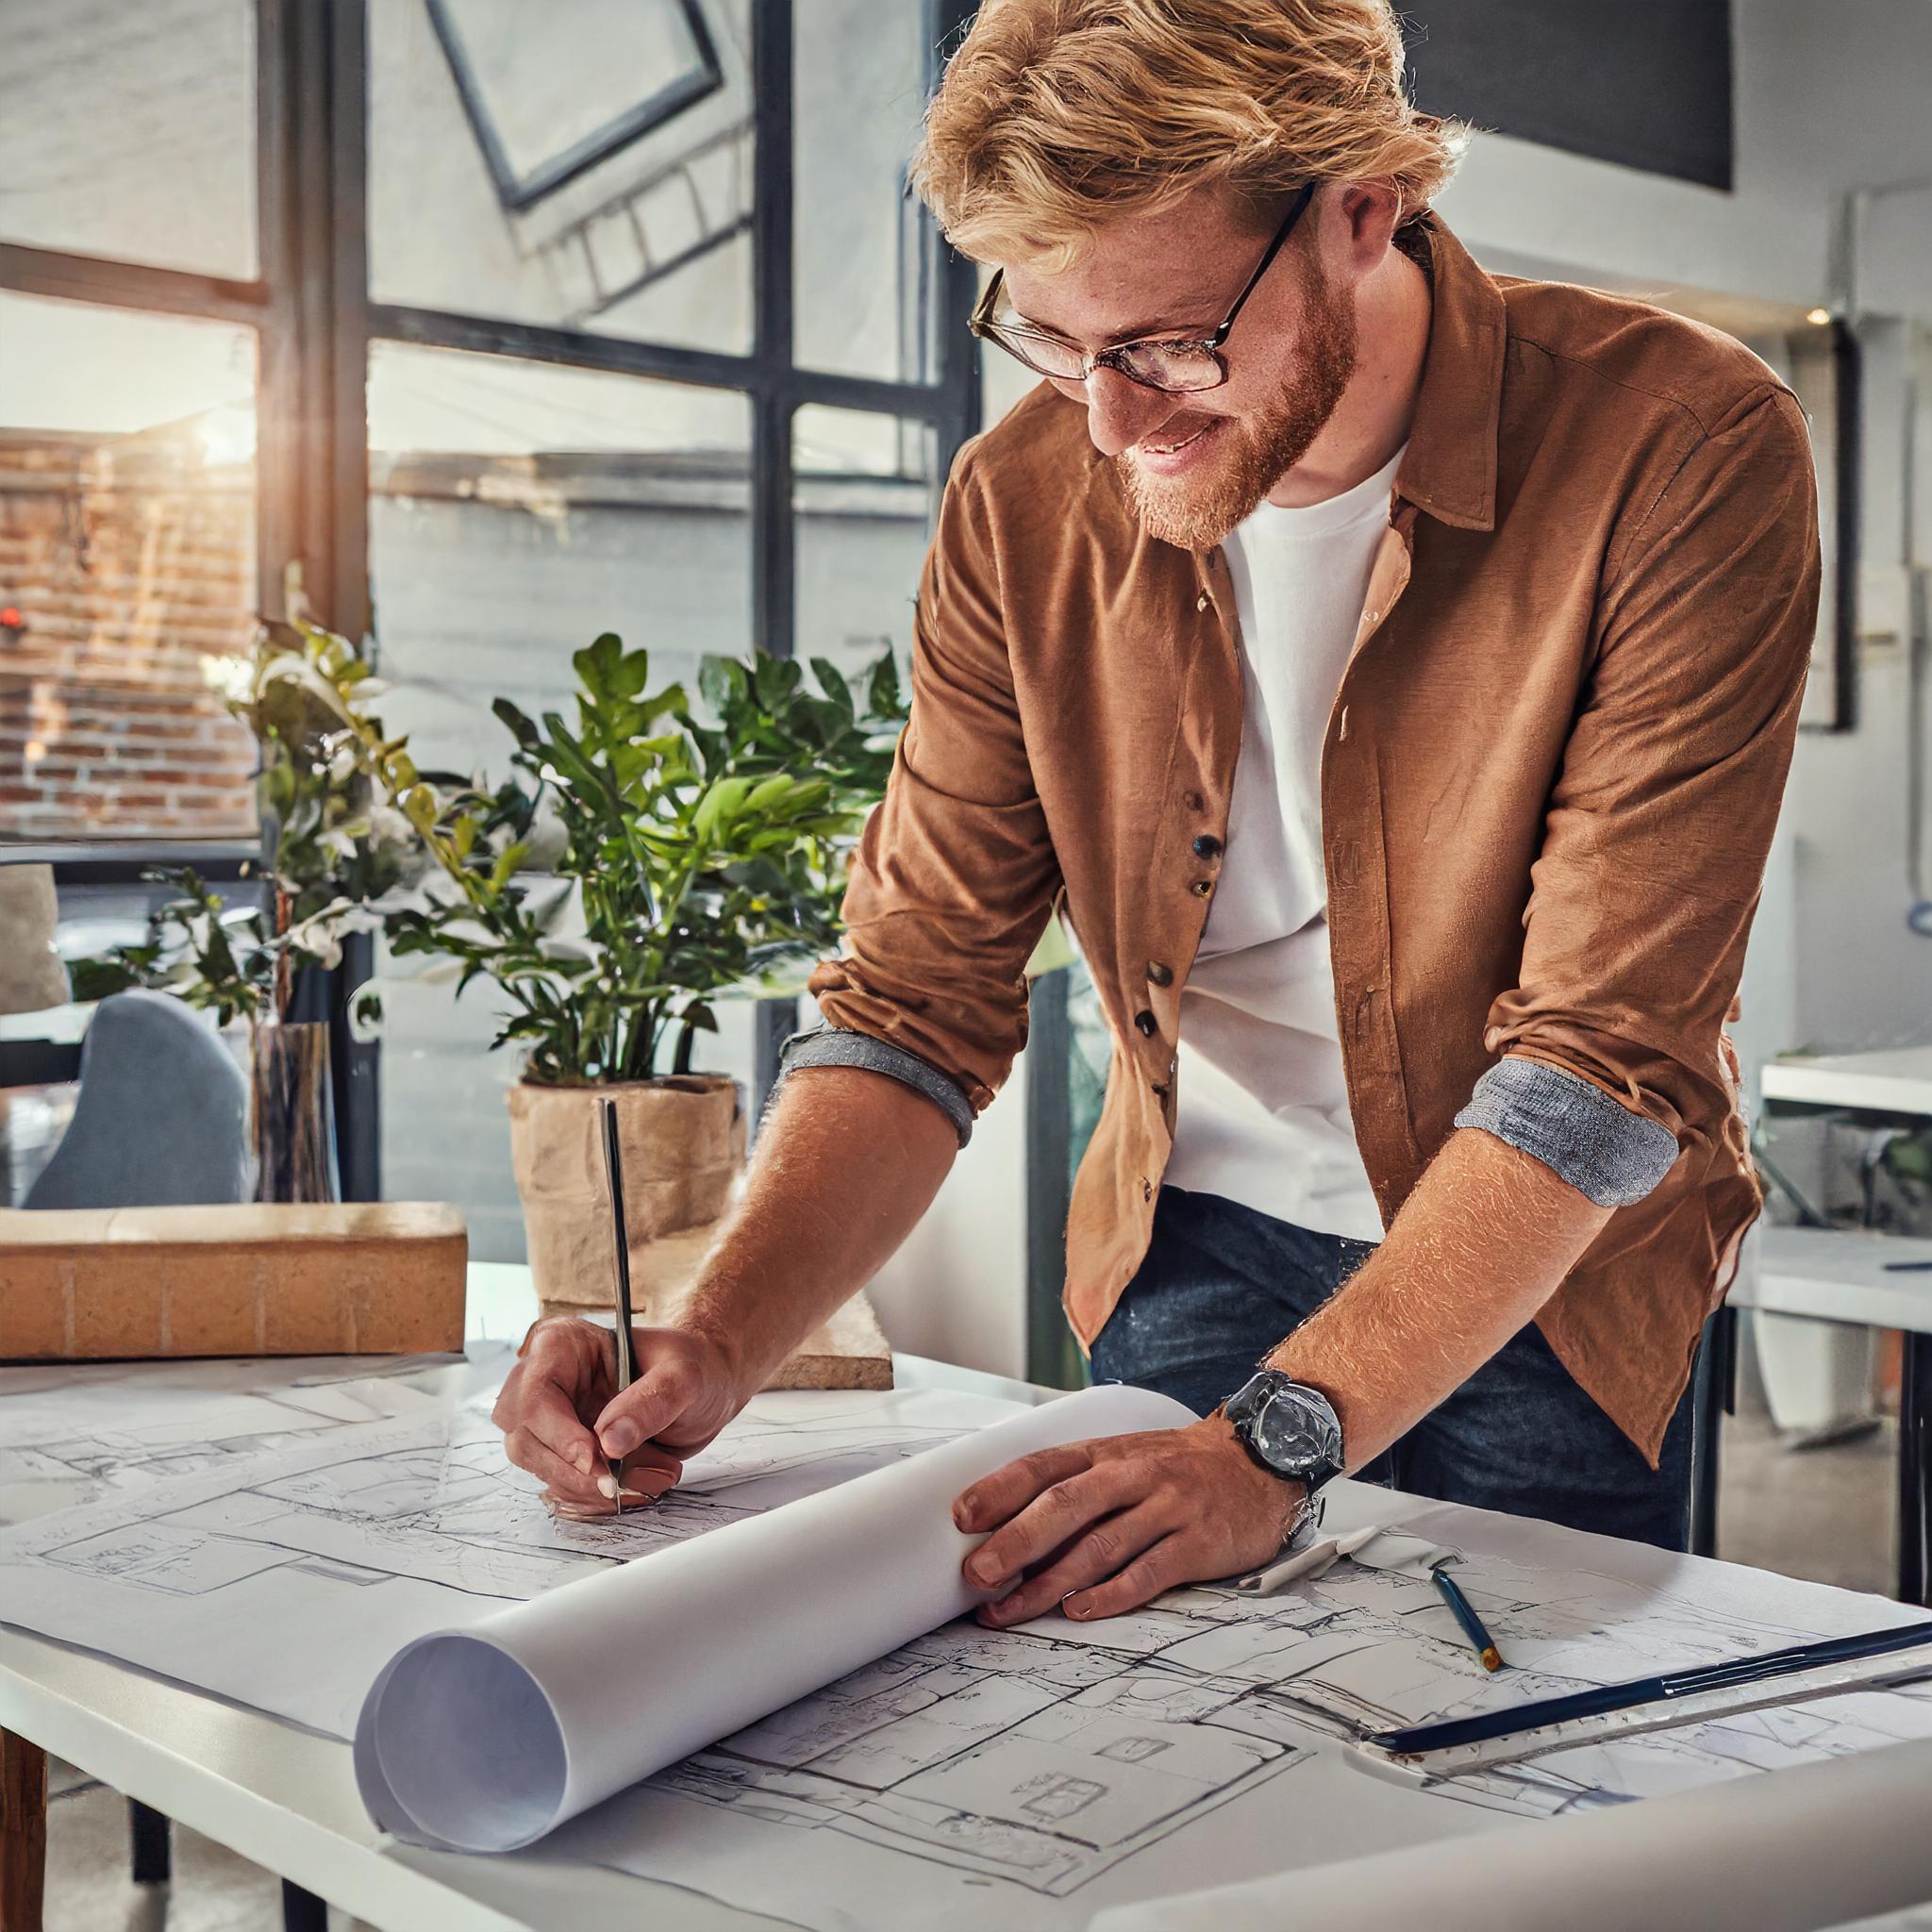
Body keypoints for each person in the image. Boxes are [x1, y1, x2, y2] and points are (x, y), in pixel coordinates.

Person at [491, 0, 1820, 1623]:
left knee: (1516, 1747)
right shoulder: (1020, 501)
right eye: (1055, 342)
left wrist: (1272, 1451)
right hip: (1191, 1241)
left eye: (1171, 342)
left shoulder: (1679, 445)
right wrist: (712, 1338)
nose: (1113, 425)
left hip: (1548, 1278)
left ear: (1361, 210)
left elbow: (1603, 1066)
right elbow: (915, 1002)